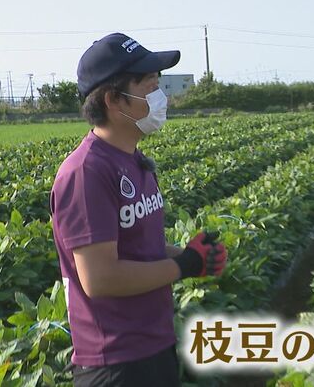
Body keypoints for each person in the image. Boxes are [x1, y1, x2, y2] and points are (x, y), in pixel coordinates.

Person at [50, 33, 228, 386]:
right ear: (115, 100)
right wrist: (183, 265)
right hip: (115, 363)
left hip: (153, 345)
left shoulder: (134, 161)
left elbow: (137, 248)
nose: (161, 97)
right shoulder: (86, 171)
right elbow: (100, 277)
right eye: (150, 86)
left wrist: (193, 256)